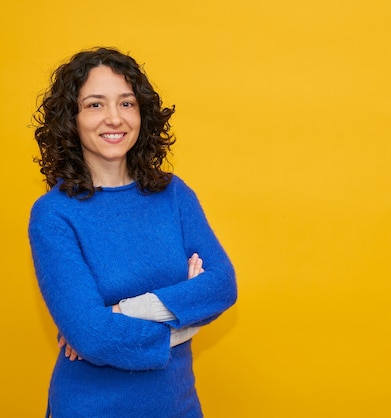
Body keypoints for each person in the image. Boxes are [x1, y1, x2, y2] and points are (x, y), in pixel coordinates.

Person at [28, 47, 237, 417]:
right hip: (90, 408)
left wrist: (123, 311)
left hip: (177, 406)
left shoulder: (173, 194)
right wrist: (185, 321)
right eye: (95, 105)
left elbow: (222, 285)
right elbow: (91, 335)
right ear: (71, 119)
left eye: (126, 104)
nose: (114, 118)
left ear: (142, 113)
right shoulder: (54, 215)